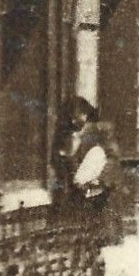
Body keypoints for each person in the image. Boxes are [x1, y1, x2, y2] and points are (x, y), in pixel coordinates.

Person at [52, 96, 124, 243]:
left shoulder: (101, 133)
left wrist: (99, 180)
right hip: (76, 198)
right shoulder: (66, 137)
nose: (74, 121)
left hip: (100, 198)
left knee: (100, 240)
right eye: (71, 117)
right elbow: (61, 164)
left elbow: (112, 159)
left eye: (79, 115)